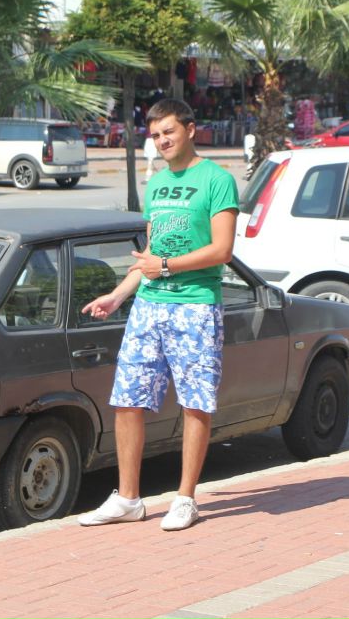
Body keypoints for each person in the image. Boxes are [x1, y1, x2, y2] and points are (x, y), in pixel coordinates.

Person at [78, 98, 239, 531]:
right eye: (155, 135)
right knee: (127, 398)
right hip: (149, 306)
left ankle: (186, 498)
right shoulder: (158, 185)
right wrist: (117, 294)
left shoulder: (218, 180)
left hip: (195, 306)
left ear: (190, 128)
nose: (163, 140)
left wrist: (165, 268)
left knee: (195, 402)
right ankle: (129, 498)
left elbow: (222, 251)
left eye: (168, 131)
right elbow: (152, 254)